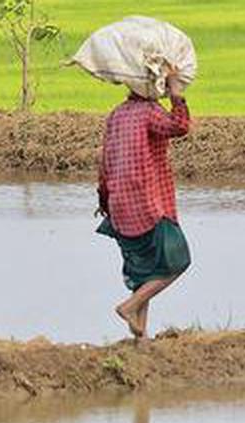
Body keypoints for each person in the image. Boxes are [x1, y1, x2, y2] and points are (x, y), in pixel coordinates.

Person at [96, 70, 193, 339]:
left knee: (143, 269)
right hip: (148, 203)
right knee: (179, 261)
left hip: (119, 204)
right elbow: (180, 126)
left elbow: (104, 159)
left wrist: (104, 199)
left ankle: (141, 337)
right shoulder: (150, 112)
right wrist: (177, 95)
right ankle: (130, 307)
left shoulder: (116, 115)